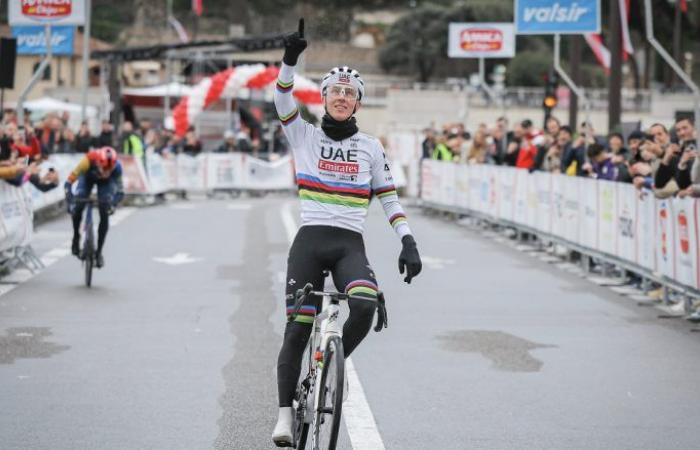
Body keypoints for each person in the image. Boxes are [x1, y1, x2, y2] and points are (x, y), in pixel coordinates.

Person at [271, 19, 422, 447]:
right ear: (323, 98)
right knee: (297, 330)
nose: (341, 97)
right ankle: (285, 415)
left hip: (348, 243)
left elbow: (389, 198)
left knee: (364, 304)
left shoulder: (371, 147)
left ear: (357, 103)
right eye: (335, 91)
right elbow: (282, 97)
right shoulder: (303, 134)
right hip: (310, 241)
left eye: (350, 93)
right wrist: (289, 61)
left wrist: (407, 240)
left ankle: (328, 370)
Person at [64, 147, 124, 268]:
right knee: (79, 204)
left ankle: (99, 252)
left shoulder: (117, 168)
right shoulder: (87, 160)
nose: (106, 172)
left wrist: (113, 204)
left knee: (105, 208)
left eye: (109, 169)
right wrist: (70, 200)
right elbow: (68, 183)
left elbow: (120, 192)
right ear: (98, 163)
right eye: (104, 169)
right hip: (87, 178)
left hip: (106, 185)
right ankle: (76, 237)